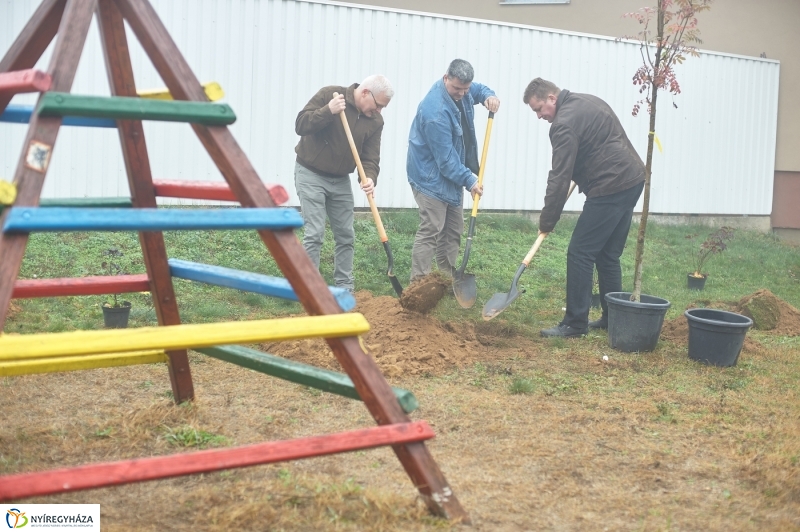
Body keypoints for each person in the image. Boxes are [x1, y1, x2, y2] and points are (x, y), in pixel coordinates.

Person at [523, 77, 645, 338]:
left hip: (611, 185)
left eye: (539, 109)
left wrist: (548, 219)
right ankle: (613, 317)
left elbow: (559, 177)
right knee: (608, 254)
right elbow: (596, 144)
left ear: (552, 99)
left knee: (580, 252)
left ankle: (575, 324)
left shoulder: (563, 125)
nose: (539, 116)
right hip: (632, 178)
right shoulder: (587, 100)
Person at [294, 75, 393, 293]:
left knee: (345, 234)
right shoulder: (330, 95)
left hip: (339, 180)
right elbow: (301, 125)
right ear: (366, 93)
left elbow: (370, 157)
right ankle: (309, 288)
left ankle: (344, 287)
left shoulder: (375, 122)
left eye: (383, 108)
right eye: (378, 106)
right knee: (315, 232)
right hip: (310, 173)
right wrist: (327, 111)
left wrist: (368, 177)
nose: (379, 111)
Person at [406, 59, 500, 281]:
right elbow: (446, 160)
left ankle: (446, 279)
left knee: (453, 230)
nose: (461, 93)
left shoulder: (466, 90)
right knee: (432, 229)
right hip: (429, 176)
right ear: (445, 77)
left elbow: (479, 90)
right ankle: (419, 284)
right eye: (456, 88)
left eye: (465, 89)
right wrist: (469, 180)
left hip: (452, 175)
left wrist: (489, 96)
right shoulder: (435, 113)